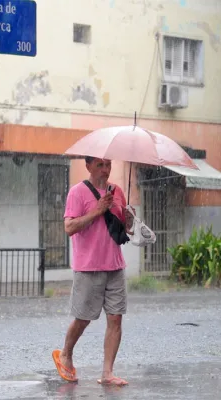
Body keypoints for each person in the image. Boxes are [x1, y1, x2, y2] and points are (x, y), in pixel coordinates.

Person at [52, 157, 134, 386]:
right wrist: (97, 210)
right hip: (88, 267)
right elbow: (69, 227)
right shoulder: (77, 192)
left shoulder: (117, 191)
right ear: (88, 166)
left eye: (108, 164)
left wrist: (128, 220)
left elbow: (125, 229)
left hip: (115, 265)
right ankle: (66, 354)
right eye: (100, 165)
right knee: (84, 317)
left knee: (116, 318)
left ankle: (107, 373)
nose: (105, 169)